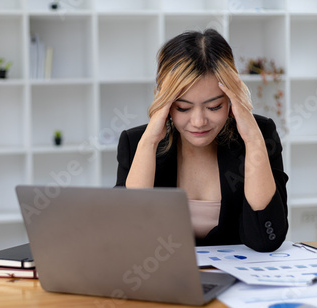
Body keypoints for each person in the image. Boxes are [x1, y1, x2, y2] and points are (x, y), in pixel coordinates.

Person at [115, 29, 288, 252]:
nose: (198, 121)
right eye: (183, 108)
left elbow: (266, 240)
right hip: (163, 282)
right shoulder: (136, 142)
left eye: (214, 106)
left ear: (232, 100)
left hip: (238, 283)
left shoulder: (260, 134)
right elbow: (128, 239)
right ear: (166, 103)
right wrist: (148, 142)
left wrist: (254, 140)